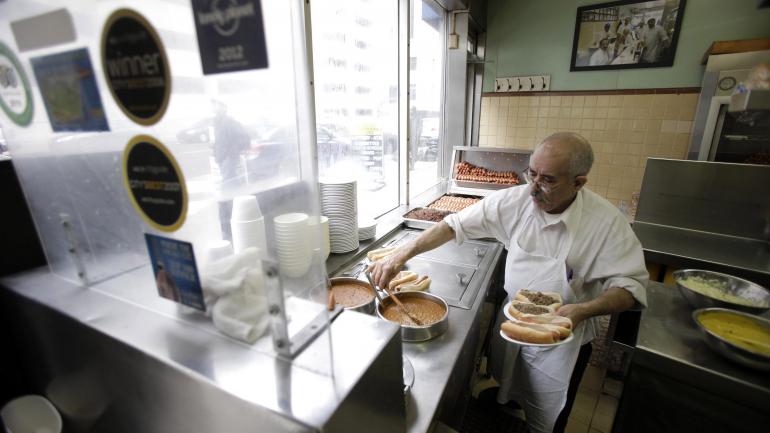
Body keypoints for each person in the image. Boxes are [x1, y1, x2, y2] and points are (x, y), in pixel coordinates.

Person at [369, 132, 648, 433]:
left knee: (548, 416)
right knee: (509, 381)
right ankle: (509, 403)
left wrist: (583, 310)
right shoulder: (515, 201)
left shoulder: (605, 224)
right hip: (514, 317)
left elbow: (630, 288)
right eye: (532, 173)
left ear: (579, 183)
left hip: (562, 334)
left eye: (548, 180)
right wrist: (400, 254)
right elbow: (453, 225)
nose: (534, 188)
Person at [211, 100, 251, 241]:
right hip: (223, 164)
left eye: (216, 105)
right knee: (227, 198)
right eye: (212, 105)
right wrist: (217, 154)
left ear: (223, 107)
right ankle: (230, 234)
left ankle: (230, 235)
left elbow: (245, 139)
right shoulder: (218, 123)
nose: (214, 107)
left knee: (226, 199)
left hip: (229, 164)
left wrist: (231, 153)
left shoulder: (229, 122)